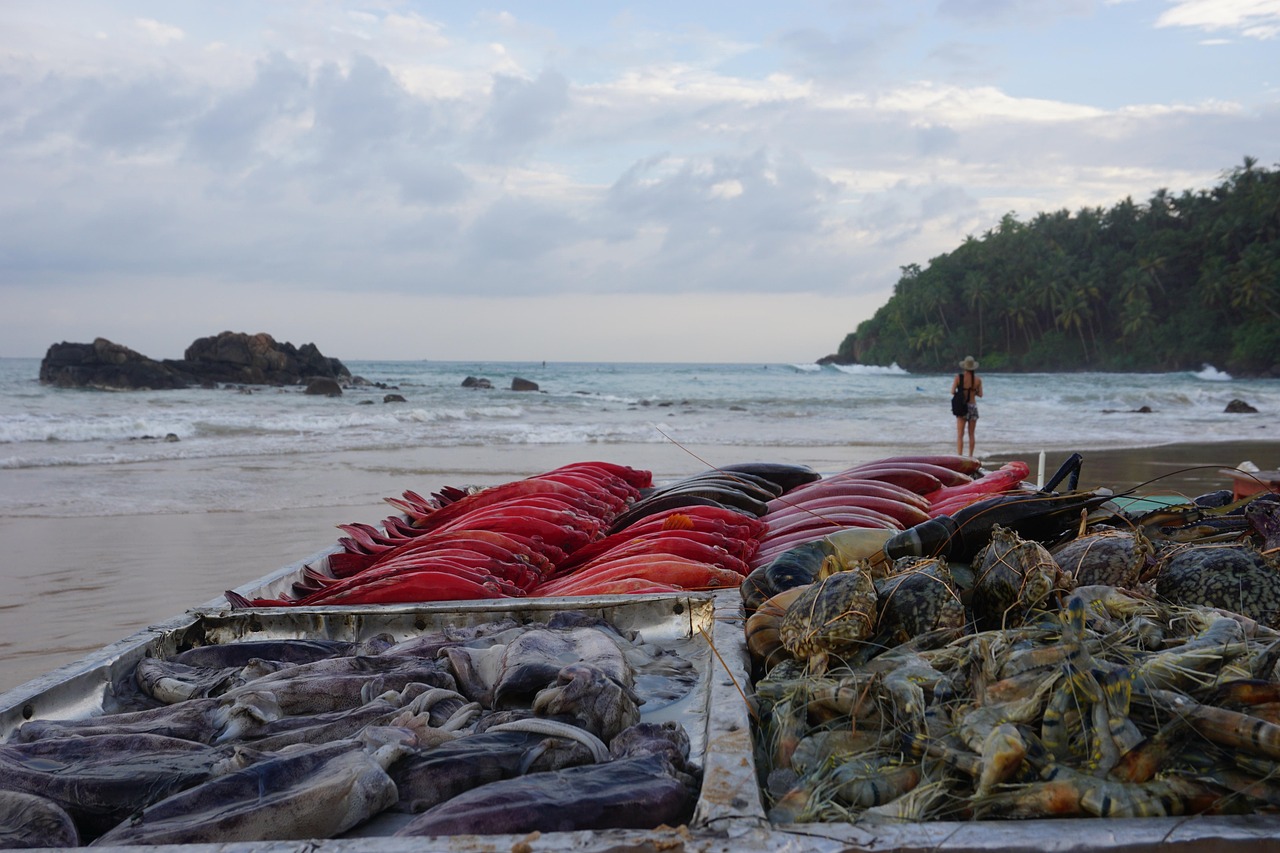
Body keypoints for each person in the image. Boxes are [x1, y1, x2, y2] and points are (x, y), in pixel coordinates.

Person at [951, 356, 983, 457]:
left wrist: (961, 392)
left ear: (964, 367)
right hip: (973, 407)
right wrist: (973, 392)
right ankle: (970, 456)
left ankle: (960, 456)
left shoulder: (958, 378)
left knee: (960, 435)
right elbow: (981, 394)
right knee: (971, 434)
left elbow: (952, 392)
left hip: (962, 408)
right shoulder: (978, 380)